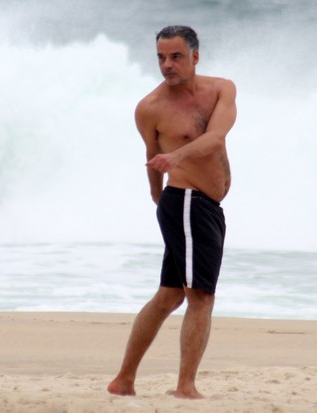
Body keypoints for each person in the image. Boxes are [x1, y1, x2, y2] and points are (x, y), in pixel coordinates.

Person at [107, 25, 237, 400]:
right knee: (200, 296)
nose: (167, 65)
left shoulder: (221, 89)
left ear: (195, 57)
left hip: (203, 206)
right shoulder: (150, 108)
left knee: (169, 295)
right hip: (186, 204)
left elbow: (215, 137)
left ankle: (124, 381)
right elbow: (151, 159)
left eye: (176, 56)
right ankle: (185, 387)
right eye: (161, 58)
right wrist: (159, 199)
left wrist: (176, 157)